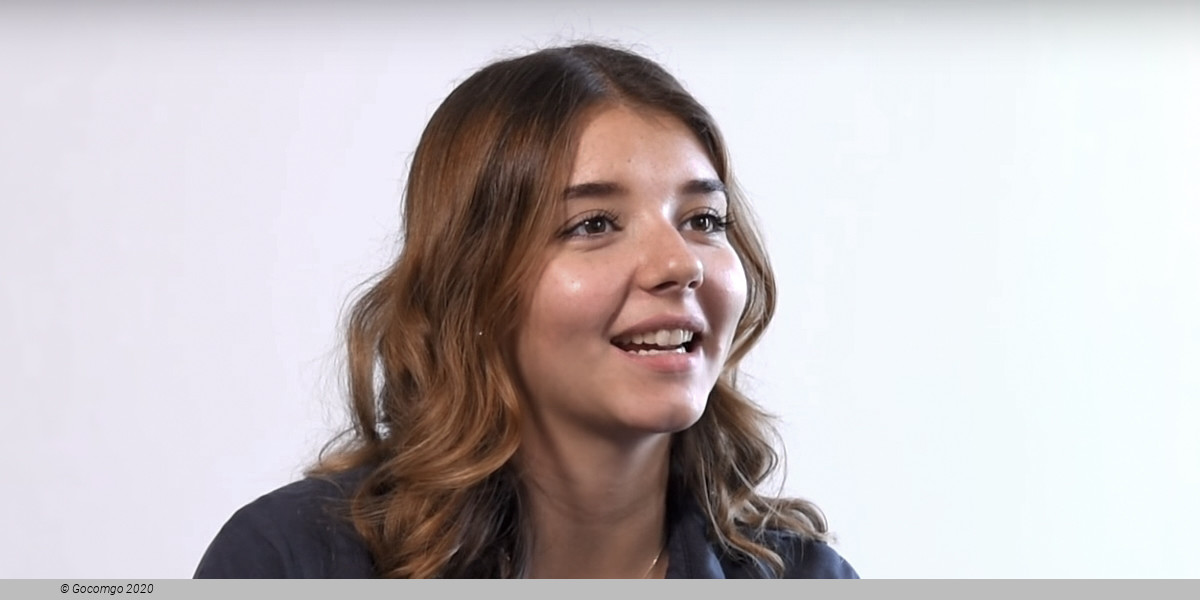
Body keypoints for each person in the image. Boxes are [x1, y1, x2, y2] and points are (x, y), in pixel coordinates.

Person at [194, 42, 858, 579]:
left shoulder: (809, 579)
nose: (680, 263)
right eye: (593, 224)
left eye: (703, 219)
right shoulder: (290, 562)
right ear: (473, 284)